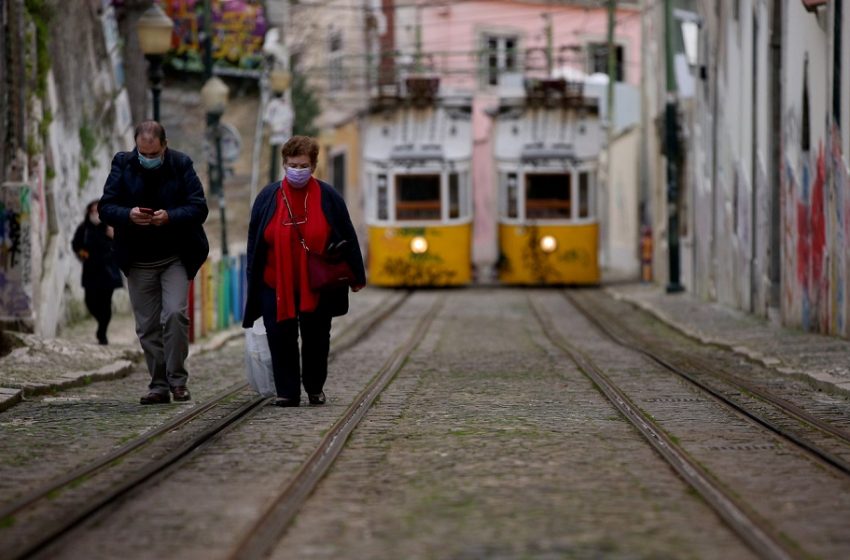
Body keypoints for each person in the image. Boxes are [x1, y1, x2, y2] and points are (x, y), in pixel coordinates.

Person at [243, 135, 365, 407]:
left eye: (303, 165)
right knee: (279, 335)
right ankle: (287, 392)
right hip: (276, 281)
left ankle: (313, 387)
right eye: (292, 165)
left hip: (317, 283)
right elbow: (255, 240)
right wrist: (253, 279)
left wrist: (356, 275)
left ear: (313, 165)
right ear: (284, 164)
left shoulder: (328, 196)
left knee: (317, 338)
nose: (297, 170)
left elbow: (346, 233)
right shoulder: (268, 197)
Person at [98, 121, 209, 405]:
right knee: (147, 326)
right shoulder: (122, 164)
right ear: (135, 146)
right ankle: (158, 384)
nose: (147, 158)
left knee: (174, 315)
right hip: (137, 260)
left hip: (175, 257)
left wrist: (169, 216)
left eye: (153, 153)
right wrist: (128, 214)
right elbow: (106, 208)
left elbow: (199, 207)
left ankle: (178, 380)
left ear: (164, 146)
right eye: (142, 153)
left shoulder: (181, 164)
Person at [71, 200, 123, 345]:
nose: (95, 214)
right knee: (90, 301)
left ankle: (102, 333)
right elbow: (76, 245)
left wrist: (114, 236)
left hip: (108, 272)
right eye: (92, 211)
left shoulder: (110, 228)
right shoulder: (84, 228)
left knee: (106, 303)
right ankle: (101, 323)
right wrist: (83, 255)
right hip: (91, 271)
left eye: (98, 211)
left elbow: (122, 245)